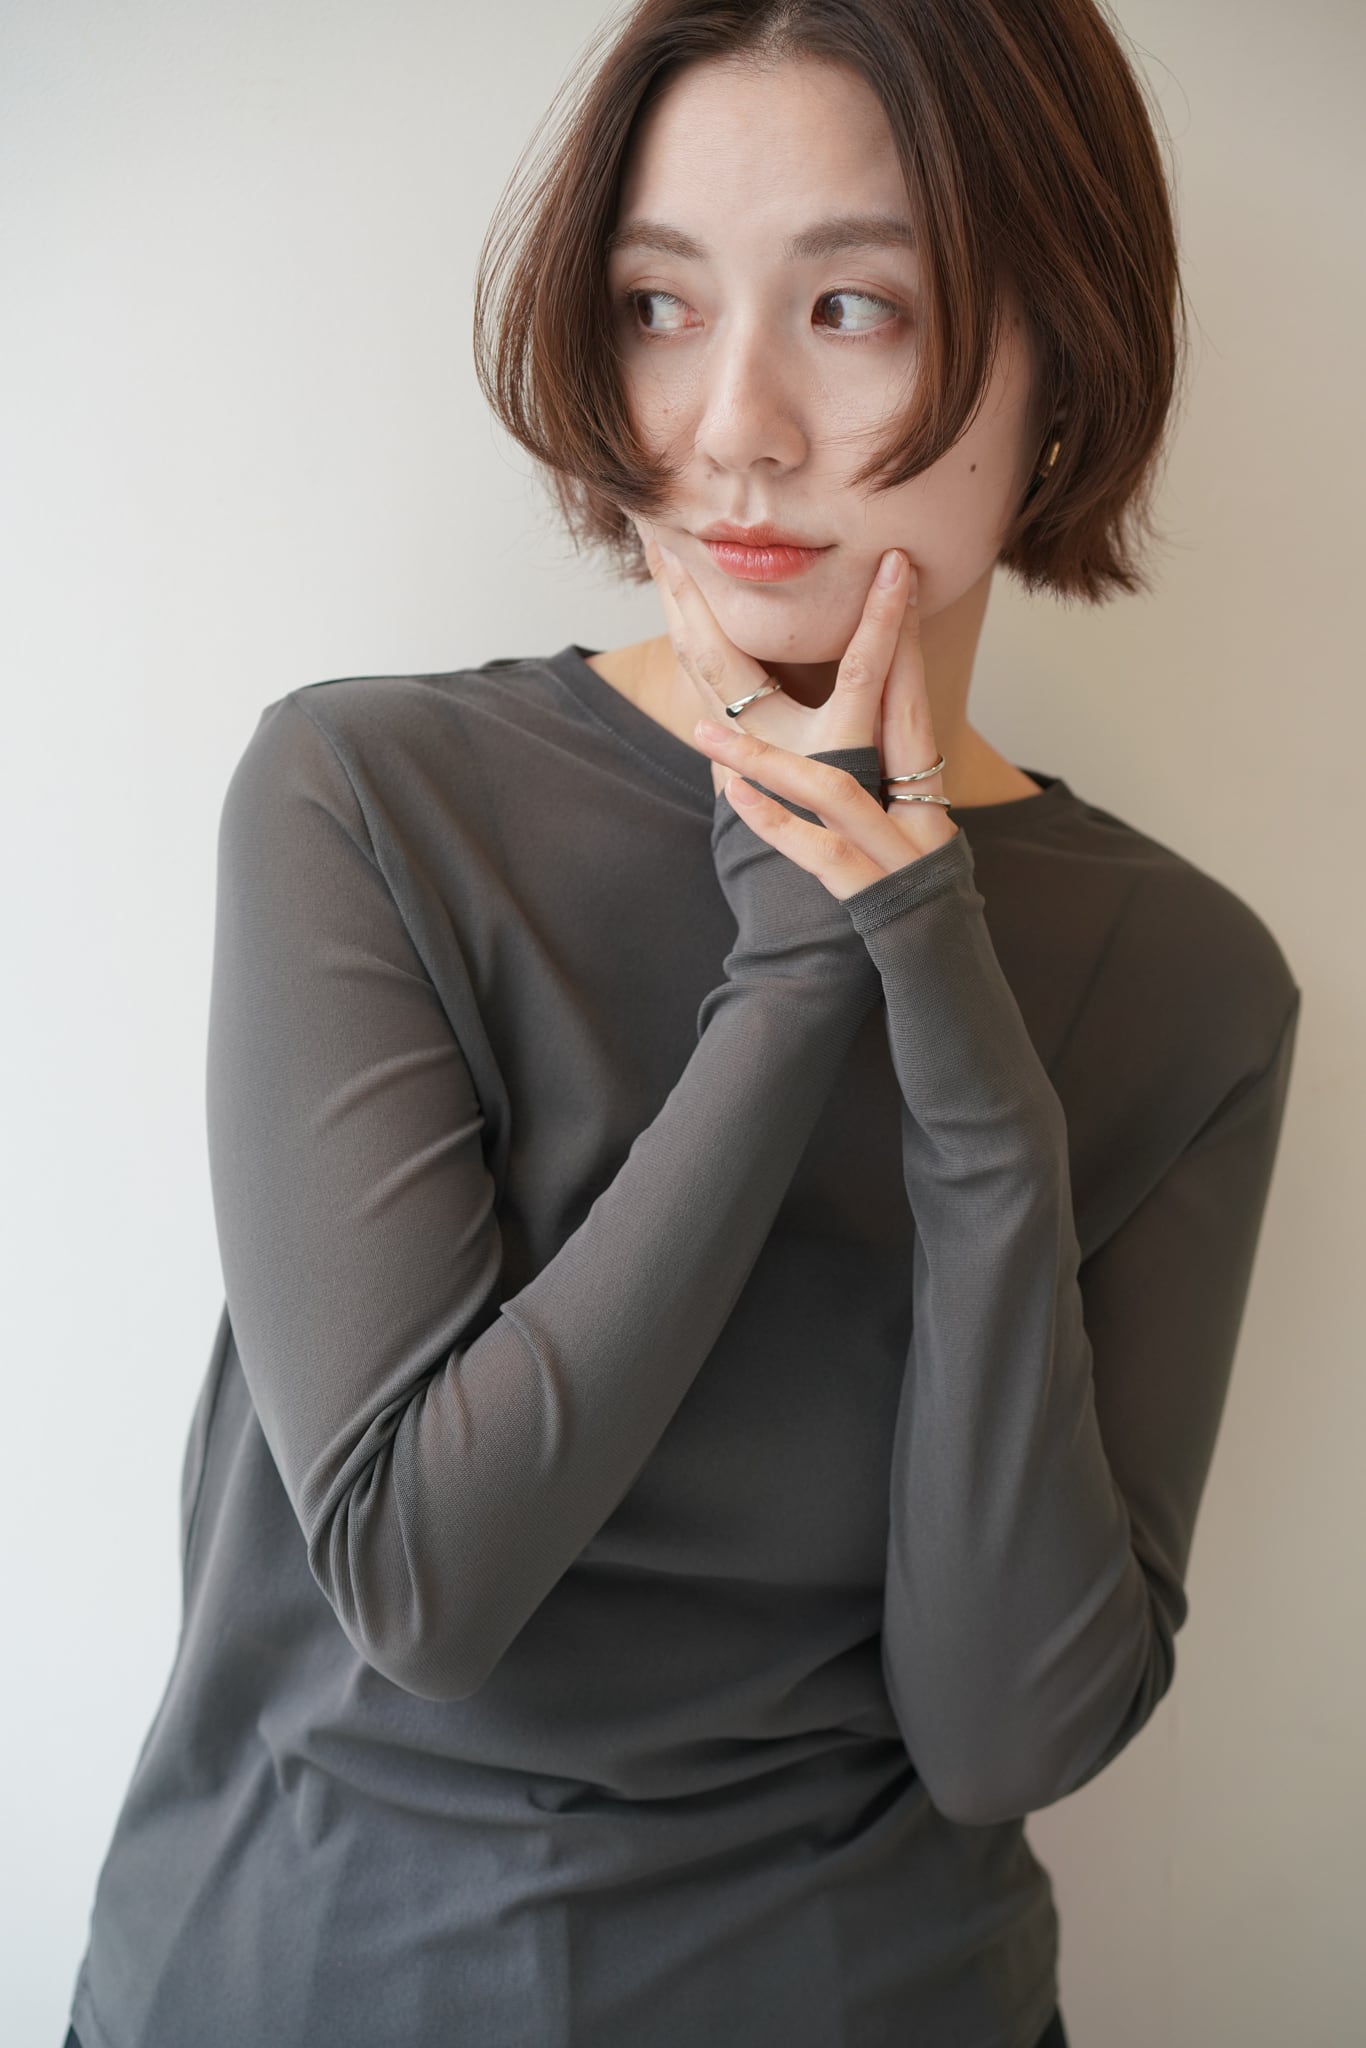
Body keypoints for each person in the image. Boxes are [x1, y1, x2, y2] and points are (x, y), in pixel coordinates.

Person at [64, 4, 1300, 2046]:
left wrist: (957, 1046)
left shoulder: (1185, 980)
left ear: (1063, 358)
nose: (732, 424)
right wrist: (795, 977)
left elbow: (1002, 1731)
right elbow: (421, 1581)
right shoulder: (369, 798)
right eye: (657, 304)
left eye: (850, 306)